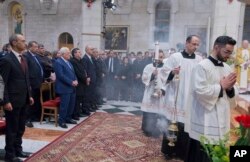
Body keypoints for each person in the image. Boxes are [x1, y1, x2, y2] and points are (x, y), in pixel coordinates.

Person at [186, 36, 237, 162]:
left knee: (217, 151)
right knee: (202, 152)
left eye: (231, 53)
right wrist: (221, 87)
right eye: (226, 52)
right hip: (205, 116)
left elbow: (231, 91)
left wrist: (230, 89)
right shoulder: (201, 66)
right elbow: (199, 91)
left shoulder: (227, 67)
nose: (229, 56)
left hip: (221, 115)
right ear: (216, 47)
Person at [161, 35, 202, 160]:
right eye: (193, 44)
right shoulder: (175, 57)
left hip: (191, 97)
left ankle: (183, 151)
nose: (195, 47)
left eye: (197, 44)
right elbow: (164, 73)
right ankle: (168, 150)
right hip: (176, 96)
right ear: (187, 43)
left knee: (186, 126)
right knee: (172, 123)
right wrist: (172, 73)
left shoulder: (199, 60)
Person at [0, 34, 34, 162]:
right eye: (23, 41)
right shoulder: (6, 60)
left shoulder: (23, 58)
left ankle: (18, 150)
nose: (25, 43)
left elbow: (26, 79)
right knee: (12, 129)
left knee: (20, 128)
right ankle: (10, 155)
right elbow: (3, 83)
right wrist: (5, 101)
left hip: (24, 99)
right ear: (14, 42)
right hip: (12, 101)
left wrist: (29, 95)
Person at [141, 51, 167, 137]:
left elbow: (168, 81)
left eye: (161, 57)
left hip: (161, 93)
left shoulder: (166, 68)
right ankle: (147, 129)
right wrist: (152, 75)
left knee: (159, 111)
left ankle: (158, 129)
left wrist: (163, 90)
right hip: (150, 92)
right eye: (158, 57)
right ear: (154, 57)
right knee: (149, 110)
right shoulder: (148, 67)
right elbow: (144, 79)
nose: (159, 59)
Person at [53, 47, 78, 129]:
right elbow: (61, 75)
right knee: (64, 106)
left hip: (72, 87)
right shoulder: (58, 62)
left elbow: (73, 73)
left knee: (71, 104)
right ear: (63, 54)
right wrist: (71, 82)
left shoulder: (69, 62)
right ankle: (61, 121)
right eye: (68, 53)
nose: (70, 55)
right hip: (64, 87)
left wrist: (76, 80)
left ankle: (68, 118)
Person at [24, 41, 44, 128]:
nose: (37, 48)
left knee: (36, 101)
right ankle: (27, 119)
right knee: (29, 102)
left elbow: (39, 68)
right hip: (31, 83)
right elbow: (26, 71)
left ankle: (34, 116)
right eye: (35, 47)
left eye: (37, 47)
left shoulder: (36, 56)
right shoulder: (26, 56)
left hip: (38, 82)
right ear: (30, 47)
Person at [69, 48, 90, 119]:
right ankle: (75, 114)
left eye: (80, 52)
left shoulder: (80, 60)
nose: (80, 53)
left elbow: (84, 70)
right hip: (78, 82)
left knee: (80, 98)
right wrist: (85, 79)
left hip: (83, 82)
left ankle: (78, 112)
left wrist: (87, 77)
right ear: (74, 54)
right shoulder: (73, 61)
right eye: (78, 52)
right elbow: (77, 73)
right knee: (77, 99)